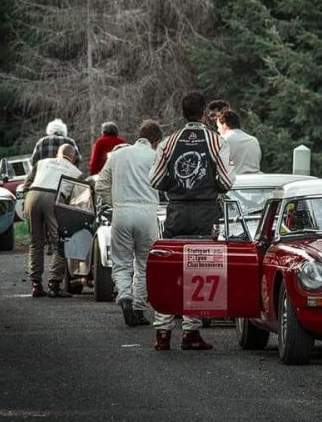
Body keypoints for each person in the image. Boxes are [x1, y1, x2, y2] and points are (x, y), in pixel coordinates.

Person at [148, 92, 236, 351]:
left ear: (182, 113)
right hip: (206, 212)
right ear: (203, 113)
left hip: (176, 211)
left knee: (170, 271)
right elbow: (228, 182)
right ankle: (191, 333)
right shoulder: (215, 141)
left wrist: (174, 187)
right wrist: (212, 187)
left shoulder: (168, 142)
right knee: (199, 271)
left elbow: (154, 180)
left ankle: (163, 334)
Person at [96, 120, 162, 328]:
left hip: (122, 213)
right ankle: (139, 309)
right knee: (144, 263)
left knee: (121, 261)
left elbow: (100, 185)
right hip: (147, 214)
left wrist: (114, 202)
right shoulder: (156, 156)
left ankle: (125, 297)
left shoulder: (117, 156)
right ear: (156, 141)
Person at [23, 144, 83, 297]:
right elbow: (77, 200)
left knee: (36, 242)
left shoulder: (42, 163)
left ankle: (36, 285)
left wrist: (27, 200)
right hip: (54, 197)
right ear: (73, 157)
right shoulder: (75, 172)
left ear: (58, 154)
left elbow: (26, 185)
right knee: (60, 242)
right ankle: (54, 284)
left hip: (33, 195)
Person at [216, 109, 261, 174]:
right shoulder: (253, 140)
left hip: (235, 181)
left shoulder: (223, 140)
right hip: (256, 179)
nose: (218, 130)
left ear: (225, 125)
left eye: (218, 126)